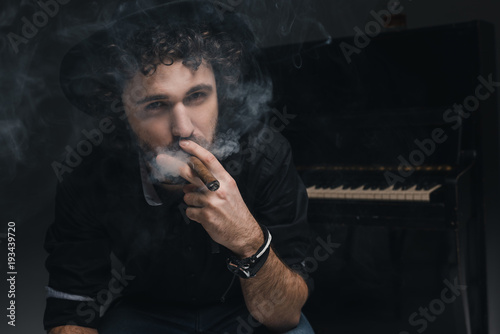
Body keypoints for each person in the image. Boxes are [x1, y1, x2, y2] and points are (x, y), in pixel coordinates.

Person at [44, 1, 314, 333]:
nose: (183, 128)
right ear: (122, 111)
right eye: (156, 104)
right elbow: (70, 312)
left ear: (220, 93)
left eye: (197, 96)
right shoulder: (87, 177)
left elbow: (284, 316)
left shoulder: (266, 156)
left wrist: (248, 239)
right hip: (145, 315)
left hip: (243, 312)